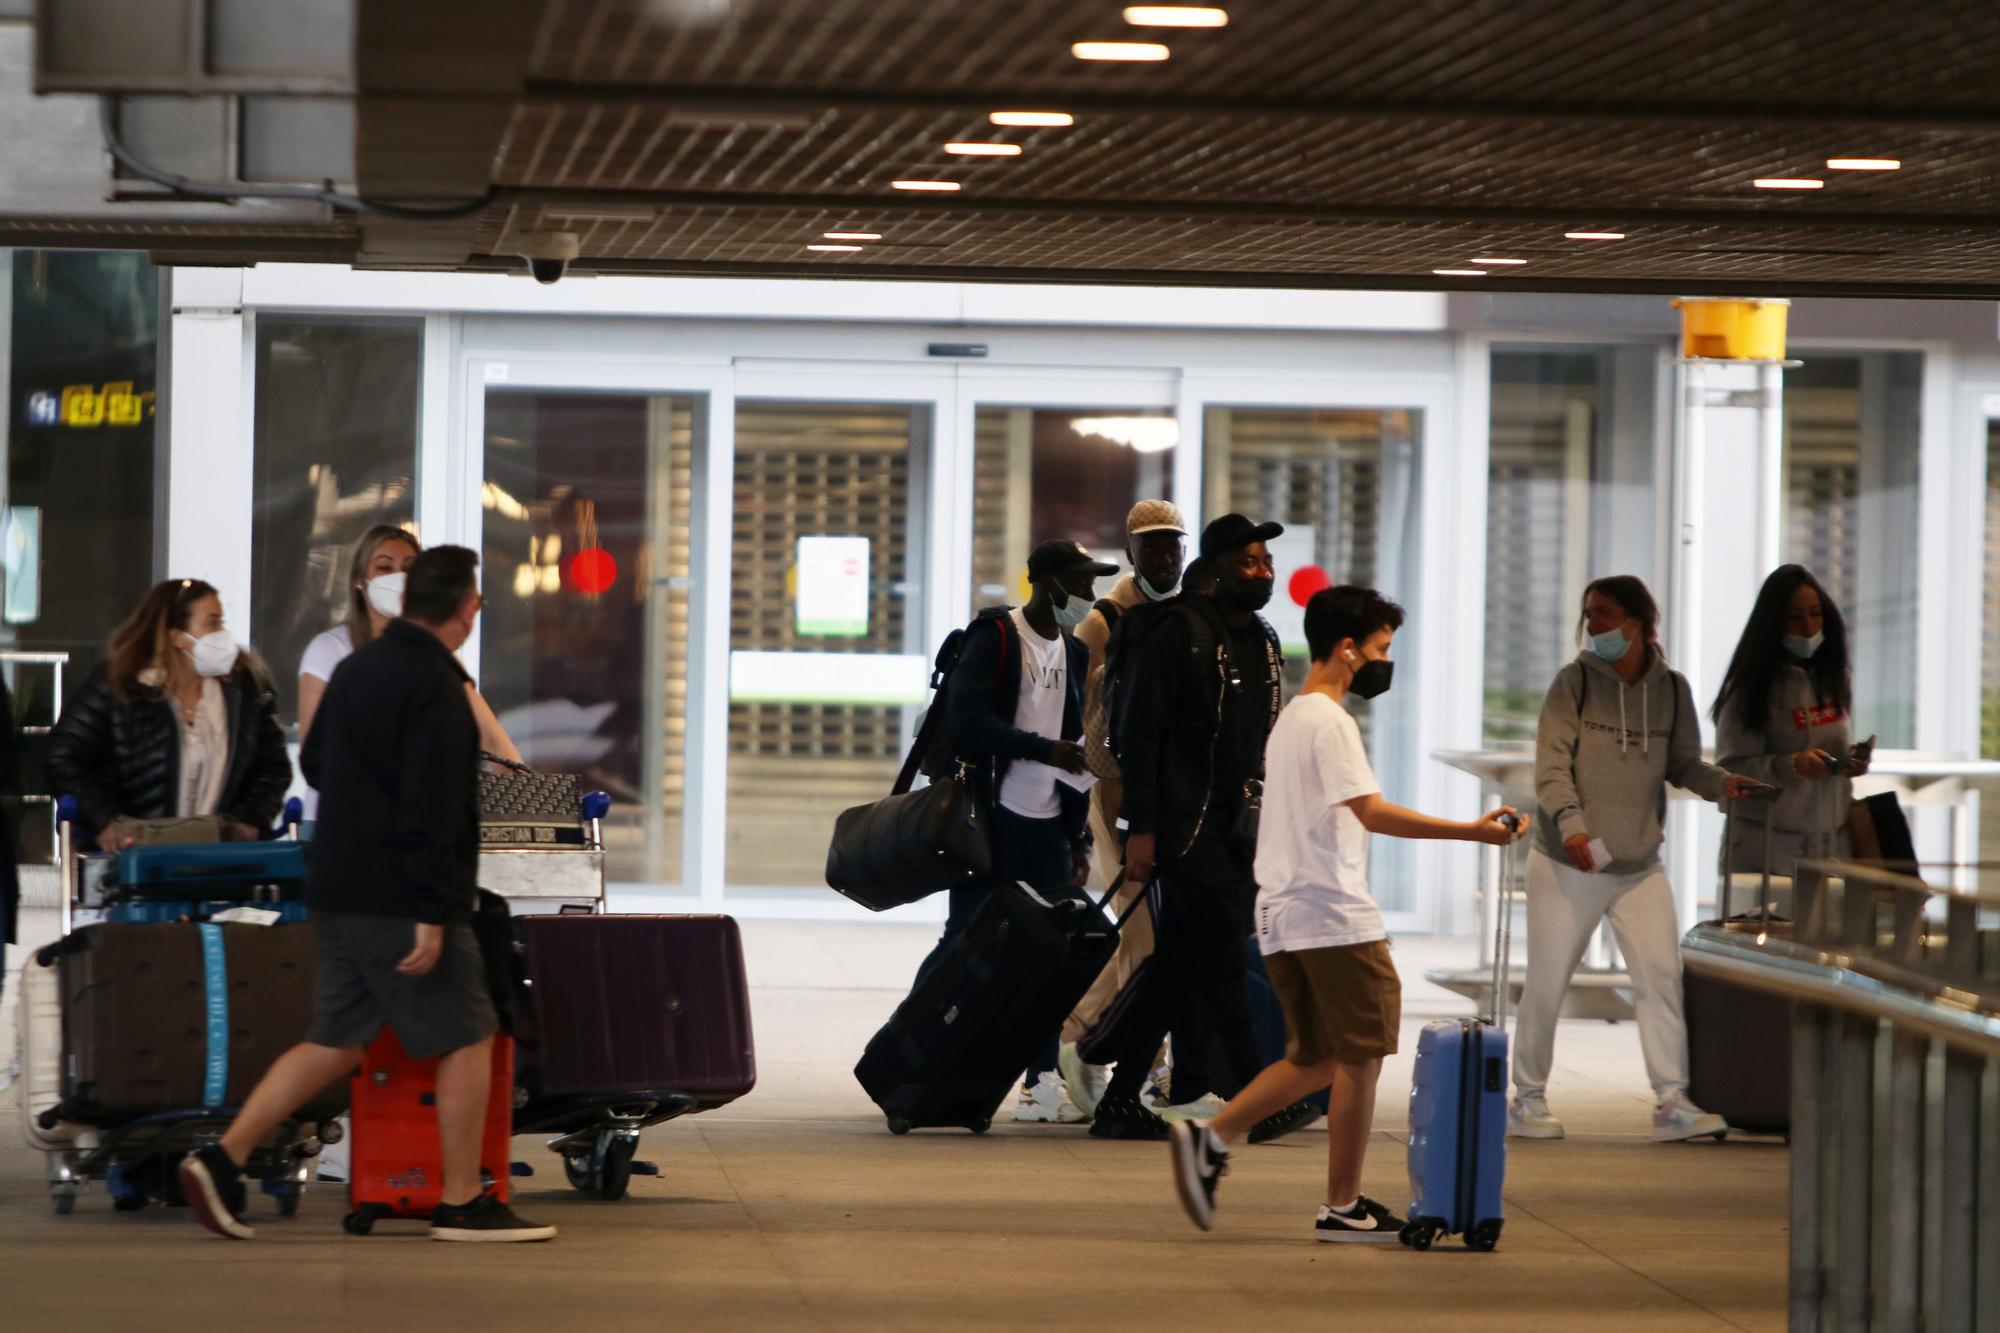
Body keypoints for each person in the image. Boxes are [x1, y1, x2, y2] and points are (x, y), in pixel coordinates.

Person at [179, 547, 554, 1243]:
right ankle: (462, 1200)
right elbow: (435, 807)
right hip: (401, 896)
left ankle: (221, 1159)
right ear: (468, 608)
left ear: (407, 600)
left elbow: (318, 761)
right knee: (470, 1033)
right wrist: (433, 913)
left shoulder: (358, 667)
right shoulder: (437, 684)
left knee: (337, 1040)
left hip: (337, 885)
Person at [1169, 586, 1525, 1241]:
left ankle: (1211, 1139)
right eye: (1382, 648)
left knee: (1318, 1058)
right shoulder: (1331, 721)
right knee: (1360, 1057)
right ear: (1348, 647)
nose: (1385, 661)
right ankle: (1340, 1203)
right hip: (1333, 913)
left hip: (1285, 913)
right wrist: (1473, 832)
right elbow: (1372, 811)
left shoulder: (1292, 718)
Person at [1510, 574, 1761, 1143]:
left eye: (1603, 613)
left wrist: (1721, 784)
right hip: (1569, 862)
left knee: (1661, 977)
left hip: (1639, 864)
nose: (1592, 623)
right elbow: (1551, 767)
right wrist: (1572, 824)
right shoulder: (1573, 683)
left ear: (1639, 623)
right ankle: (1527, 1098)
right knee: (1548, 981)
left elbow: (1683, 764)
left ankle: (1672, 1100)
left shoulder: (1670, 689)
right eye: (1589, 613)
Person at [1088, 514, 1289, 1141]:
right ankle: (1257, 1097)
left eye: (1267, 562)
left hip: (1236, 831)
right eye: (1249, 562)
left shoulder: (1263, 640)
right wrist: (1141, 830)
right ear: (1216, 569)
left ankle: (1119, 1100)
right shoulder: (1178, 633)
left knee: (1177, 966)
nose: (1263, 572)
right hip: (1183, 830)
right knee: (1224, 961)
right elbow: (1141, 737)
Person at [911, 538, 1107, 1124]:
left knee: (1050, 956)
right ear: (1050, 583)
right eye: (1082, 581)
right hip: (990, 820)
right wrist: (1043, 749)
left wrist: (1077, 837)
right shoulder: (996, 636)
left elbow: (1076, 745)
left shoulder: (1074, 651)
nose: (1090, 593)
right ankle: (912, 1054)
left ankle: (1040, 1081)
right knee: (964, 943)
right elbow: (970, 721)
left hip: (1048, 829)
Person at [49, 579, 291, 853]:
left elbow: (273, 765)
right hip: (134, 854)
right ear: (176, 636)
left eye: (221, 622)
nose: (222, 634)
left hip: (221, 855)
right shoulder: (118, 685)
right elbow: (63, 756)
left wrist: (249, 820)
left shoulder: (245, 688)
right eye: (212, 623)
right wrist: (103, 821)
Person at [299, 525, 522, 820]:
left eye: (408, 568)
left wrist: (525, 799)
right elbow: (317, 756)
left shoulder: (438, 659)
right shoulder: (332, 650)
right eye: (384, 567)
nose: (398, 578)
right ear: (359, 580)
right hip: (341, 824)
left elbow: (491, 739)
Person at [1712, 565, 1868, 897]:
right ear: (1773, 623)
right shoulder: (1748, 689)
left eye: (1815, 614)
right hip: (1766, 848)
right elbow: (1729, 773)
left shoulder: (1835, 678)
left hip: (1830, 846)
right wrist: (1791, 765)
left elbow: (1831, 746)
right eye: (1795, 617)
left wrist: (1847, 762)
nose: (1808, 628)